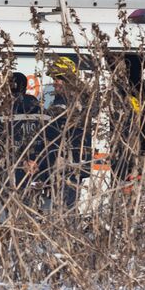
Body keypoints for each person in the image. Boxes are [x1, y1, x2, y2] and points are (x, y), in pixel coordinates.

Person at [40, 57, 94, 210]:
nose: (55, 82)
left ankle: (68, 228)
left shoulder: (70, 100)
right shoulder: (80, 96)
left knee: (66, 205)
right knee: (66, 203)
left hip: (70, 159)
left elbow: (55, 129)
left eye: (59, 78)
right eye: (54, 79)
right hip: (73, 159)